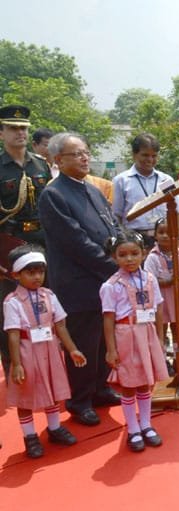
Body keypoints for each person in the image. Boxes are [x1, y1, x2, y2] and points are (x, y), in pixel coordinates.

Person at [38, 132, 121, 427]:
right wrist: (114, 268)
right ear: (58, 160)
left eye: (86, 152)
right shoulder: (54, 195)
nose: (85, 158)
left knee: (102, 339)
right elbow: (76, 242)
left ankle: (99, 389)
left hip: (104, 282)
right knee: (83, 343)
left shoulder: (93, 189)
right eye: (77, 154)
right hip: (79, 282)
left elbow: (111, 227)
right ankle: (79, 400)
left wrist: (123, 251)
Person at [4, 245, 87, 458]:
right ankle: (30, 436)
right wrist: (17, 364)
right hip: (26, 353)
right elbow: (13, 334)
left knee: (53, 392)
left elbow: (60, 326)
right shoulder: (12, 302)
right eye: (30, 272)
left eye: (40, 272)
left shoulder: (49, 295)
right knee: (26, 396)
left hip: (50, 351)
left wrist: (72, 349)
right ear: (16, 274)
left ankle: (54, 428)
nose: (37, 277)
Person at [101, 230, 168, 452]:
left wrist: (159, 338)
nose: (129, 259)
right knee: (130, 383)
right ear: (114, 257)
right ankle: (132, 428)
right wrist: (111, 349)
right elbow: (108, 318)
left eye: (134, 253)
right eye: (122, 254)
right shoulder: (111, 285)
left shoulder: (149, 279)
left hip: (146, 332)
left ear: (143, 253)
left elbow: (157, 309)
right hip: (126, 334)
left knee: (146, 382)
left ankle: (147, 424)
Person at [0, 105, 52, 376]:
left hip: (41, 244)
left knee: (44, 304)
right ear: (1, 132)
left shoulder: (40, 164)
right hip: (10, 245)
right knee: (11, 311)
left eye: (23, 128)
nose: (19, 132)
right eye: (12, 127)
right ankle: (14, 371)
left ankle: (46, 368)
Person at [112, 133, 179, 249]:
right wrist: (123, 243)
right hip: (135, 241)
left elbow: (176, 213)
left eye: (154, 156)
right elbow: (117, 216)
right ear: (134, 155)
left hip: (164, 239)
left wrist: (178, 242)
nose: (150, 160)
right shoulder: (121, 181)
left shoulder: (166, 180)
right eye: (145, 155)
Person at [143, 217, 179, 375]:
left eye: (169, 233)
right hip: (160, 299)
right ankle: (162, 360)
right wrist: (168, 281)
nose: (165, 236)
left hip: (176, 297)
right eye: (161, 232)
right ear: (155, 235)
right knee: (160, 329)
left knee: (177, 329)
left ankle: (178, 359)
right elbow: (150, 279)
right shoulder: (152, 257)